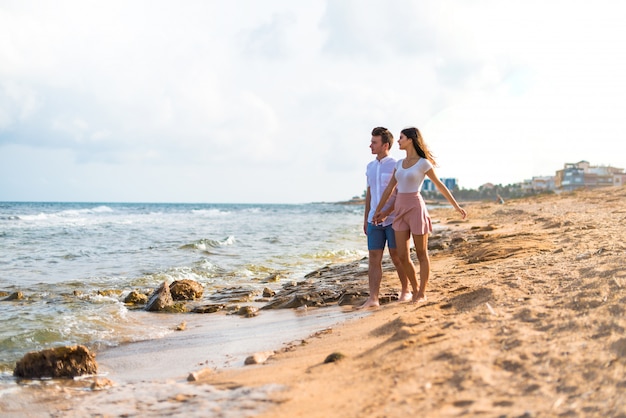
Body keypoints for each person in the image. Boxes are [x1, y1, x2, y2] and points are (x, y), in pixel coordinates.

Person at [373, 127, 466, 303]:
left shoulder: (423, 163)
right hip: (399, 209)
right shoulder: (398, 164)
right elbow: (389, 189)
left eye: (401, 138)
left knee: (422, 253)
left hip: (415, 208)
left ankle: (422, 293)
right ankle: (414, 289)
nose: (398, 141)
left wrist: (456, 206)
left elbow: (439, 185)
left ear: (410, 139)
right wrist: (380, 211)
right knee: (402, 255)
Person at [358, 127, 412, 309]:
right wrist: (367, 218)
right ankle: (373, 298)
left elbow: (399, 193)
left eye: (374, 142)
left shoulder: (396, 165)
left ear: (385, 145)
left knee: (397, 256)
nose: (370, 145)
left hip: (394, 219)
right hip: (374, 221)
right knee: (374, 258)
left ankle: (406, 291)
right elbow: (369, 194)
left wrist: (387, 212)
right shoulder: (370, 167)